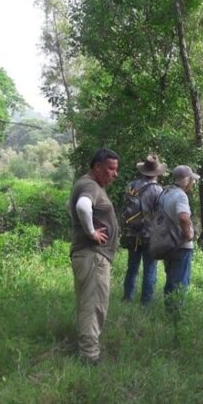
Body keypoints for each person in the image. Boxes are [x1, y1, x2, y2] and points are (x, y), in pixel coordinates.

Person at [68, 147, 119, 366]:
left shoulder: (91, 184)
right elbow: (82, 206)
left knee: (88, 302)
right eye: (110, 169)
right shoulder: (89, 185)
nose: (114, 174)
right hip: (92, 256)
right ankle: (90, 357)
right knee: (94, 304)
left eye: (116, 169)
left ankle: (87, 347)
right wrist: (91, 232)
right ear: (97, 167)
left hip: (91, 256)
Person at [121, 155, 166, 305]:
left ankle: (127, 298)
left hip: (132, 234)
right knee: (150, 270)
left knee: (132, 268)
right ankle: (145, 304)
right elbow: (161, 215)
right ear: (157, 173)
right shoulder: (158, 190)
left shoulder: (131, 185)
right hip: (150, 236)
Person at [158, 164, 199, 316]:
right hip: (181, 246)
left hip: (167, 243)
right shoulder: (181, 196)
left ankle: (168, 312)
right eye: (191, 180)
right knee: (180, 283)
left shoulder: (165, 192)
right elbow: (183, 217)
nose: (192, 184)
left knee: (170, 281)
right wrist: (188, 235)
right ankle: (175, 317)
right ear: (186, 180)